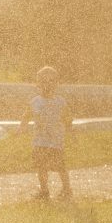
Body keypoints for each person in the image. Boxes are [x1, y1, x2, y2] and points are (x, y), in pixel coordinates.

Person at [18, 66, 72, 200]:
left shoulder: (60, 102)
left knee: (60, 166)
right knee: (41, 167)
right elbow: (26, 116)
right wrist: (22, 127)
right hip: (40, 141)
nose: (47, 84)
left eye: (51, 81)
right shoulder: (35, 102)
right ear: (38, 84)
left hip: (56, 142)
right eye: (44, 81)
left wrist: (70, 130)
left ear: (56, 83)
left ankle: (67, 188)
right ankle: (44, 191)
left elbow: (67, 117)